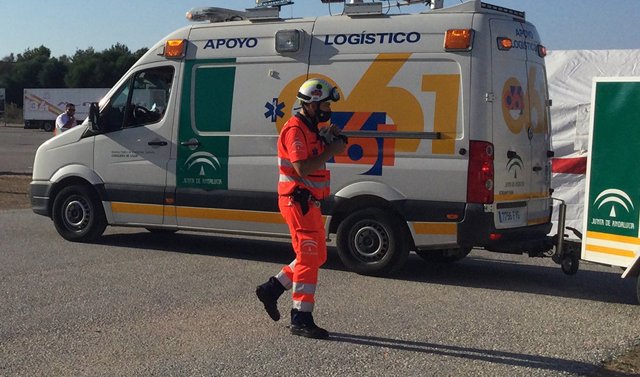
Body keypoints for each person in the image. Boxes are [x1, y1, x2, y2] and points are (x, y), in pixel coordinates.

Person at [256, 78, 347, 339]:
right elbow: (302, 168)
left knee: (317, 256)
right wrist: (332, 149)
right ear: (311, 104)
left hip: (307, 202)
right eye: (325, 104)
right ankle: (301, 318)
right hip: (297, 201)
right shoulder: (295, 130)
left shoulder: (310, 128)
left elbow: (312, 154)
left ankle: (272, 289)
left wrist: (327, 138)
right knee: (309, 258)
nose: (328, 108)